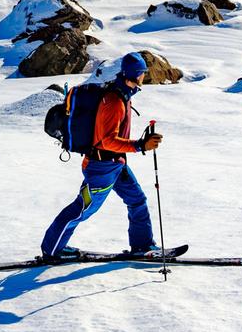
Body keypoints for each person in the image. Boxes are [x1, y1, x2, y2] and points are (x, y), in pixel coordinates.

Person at [40, 52, 164, 261]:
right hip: (101, 168)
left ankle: (142, 245)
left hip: (116, 165)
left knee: (137, 200)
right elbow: (106, 140)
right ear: (136, 75)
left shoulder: (123, 94)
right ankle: (52, 250)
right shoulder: (114, 101)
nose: (144, 77)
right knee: (82, 209)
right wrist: (140, 145)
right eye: (143, 73)